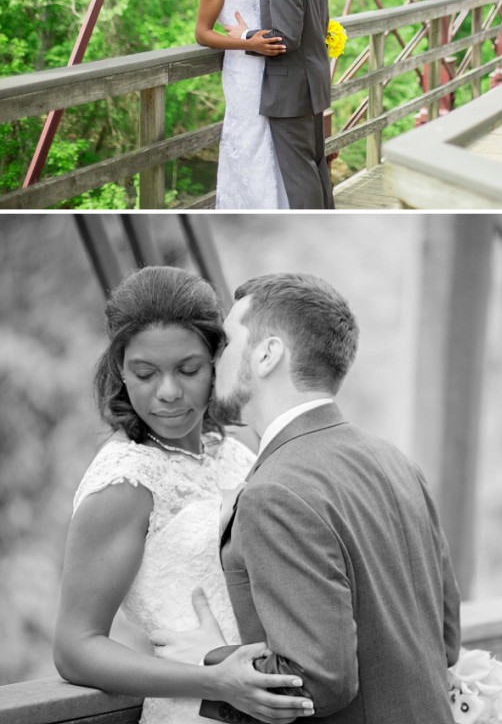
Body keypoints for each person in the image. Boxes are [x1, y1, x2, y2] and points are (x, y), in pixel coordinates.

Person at [159, 272, 461, 723]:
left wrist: (209, 659)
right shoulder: (397, 462)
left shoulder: (273, 492)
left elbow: (318, 682)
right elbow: (447, 641)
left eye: (225, 343)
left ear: (266, 355)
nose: (213, 360)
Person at [53, 266, 315, 724]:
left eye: (188, 369)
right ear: (119, 369)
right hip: (195, 710)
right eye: (145, 373)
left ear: (217, 361)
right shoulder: (124, 483)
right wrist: (213, 679)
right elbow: (75, 648)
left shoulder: (235, 453)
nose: (169, 392)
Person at [225, 0, 334, 210]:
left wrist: (246, 36)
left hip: (290, 93)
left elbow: (286, 38)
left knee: (300, 177)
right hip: (312, 87)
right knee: (316, 168)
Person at [195, 0, 289, 210]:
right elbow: (202, 33)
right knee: (249, 140)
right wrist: (248, 44)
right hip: (243, 72)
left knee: (268, 141)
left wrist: (257, 41)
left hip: (264, 64)